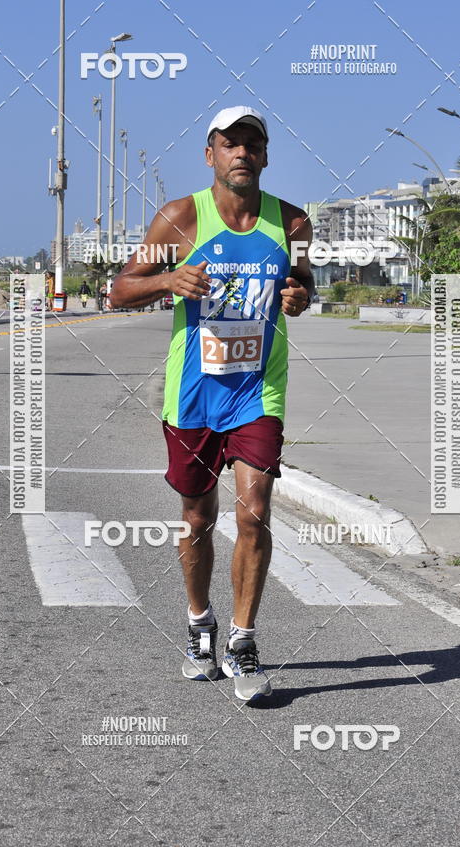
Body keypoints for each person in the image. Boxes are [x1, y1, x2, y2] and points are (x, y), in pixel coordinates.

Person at [110, 106, 314, 701]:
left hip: (258, 390)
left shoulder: (293, 222)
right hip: (194, 393)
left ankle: (244, 642)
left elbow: (303, 284)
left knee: (255, 512)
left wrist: (300, 295)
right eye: (230, 143)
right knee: (197, 517)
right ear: (210, 155)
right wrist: (167, 281)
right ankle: (200, 626)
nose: (241, 152)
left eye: (252, 143)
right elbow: (120, 290)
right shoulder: (180, 219)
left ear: (266, 156)